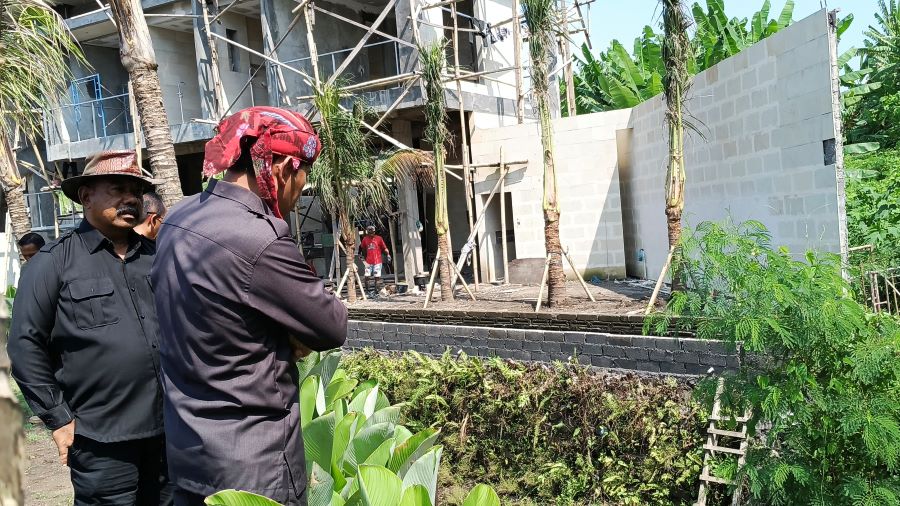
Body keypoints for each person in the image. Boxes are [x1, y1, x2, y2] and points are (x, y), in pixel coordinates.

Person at [151, 106, 348, 505]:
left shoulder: (178, 219)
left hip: (190, 452)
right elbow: (331, 325)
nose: (301, 188)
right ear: (281, 168)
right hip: (253, 466)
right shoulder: (259, 238)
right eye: (304, 175)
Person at [9, 150, 172, 505]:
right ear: (86, 196)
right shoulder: (54, 262)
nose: (130, 198)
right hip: (100, 441)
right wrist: (58, 418)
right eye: (117, 189)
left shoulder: (157, 257)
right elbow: (25, 344)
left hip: (168, 433)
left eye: (135, 191)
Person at [358, 225, 391, 295]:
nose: (371, 233)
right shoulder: (365, 239)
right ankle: (367, 292)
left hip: (377, 262)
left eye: (372, 232)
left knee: (377, 277)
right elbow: (361, 249)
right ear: (367, 232)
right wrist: (361, 258)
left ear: (374, 231)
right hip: (367, 262)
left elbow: (384, 247)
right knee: (367, 277)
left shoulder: (379, 238)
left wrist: (388, 254)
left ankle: (376, 292)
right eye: (370, 232)